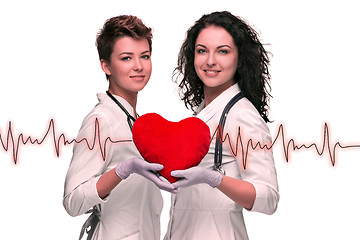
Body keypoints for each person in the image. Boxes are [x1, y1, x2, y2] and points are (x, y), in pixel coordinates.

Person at [165, 11, 279, 240]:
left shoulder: (243, 116)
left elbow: (268, 198)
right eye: (202, 51)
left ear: (240, 58)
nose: (210, 61)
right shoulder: (203, 111)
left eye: (223, 52)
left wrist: (214, 179)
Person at [63, 15, 176, 240]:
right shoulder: (100, 120)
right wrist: (123, 170)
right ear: (106, 65)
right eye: (126, 58)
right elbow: (72, 201)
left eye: (145, 56)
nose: (138, 66)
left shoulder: (138, 122)